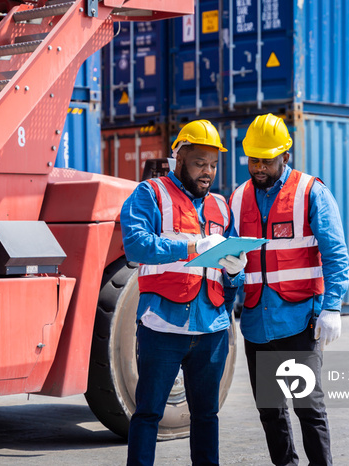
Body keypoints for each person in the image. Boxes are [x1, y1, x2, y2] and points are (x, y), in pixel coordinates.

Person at [120, 119, 247, 466]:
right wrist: (191, 246)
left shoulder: (221, 206)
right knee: (148, 414)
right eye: (199, 163)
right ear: (179, 158)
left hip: (212, 329)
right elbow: (136, 246)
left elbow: (231, 266)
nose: (207, 172)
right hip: (163, 327)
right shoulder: (150, 194)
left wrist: (236, 274)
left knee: (207, 416)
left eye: (213, 165)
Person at [230, 113, 349, 466]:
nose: (260, 166)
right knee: (271, 411)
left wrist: (332, 307)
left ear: (286, 154)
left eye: (267, 159)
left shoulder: (310, 191)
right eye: (254, 158)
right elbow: (235, 263)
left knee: (307, 409)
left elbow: (335, 252)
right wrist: (232, 275)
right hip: (258, 324)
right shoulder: (238, 199)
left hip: (299, 321)